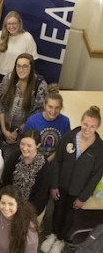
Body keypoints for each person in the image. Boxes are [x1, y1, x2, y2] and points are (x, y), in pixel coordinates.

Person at [41, 106, 103, 253]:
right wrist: (54, 185)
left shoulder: (99, 149)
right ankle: (53, 234)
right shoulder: (68, 137)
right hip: (61, 186)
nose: (87, 129)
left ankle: (61, 239)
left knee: (70, 215)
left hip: (78, 191)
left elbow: (96, 176)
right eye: (85, 124)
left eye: (92, 126)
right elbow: (57, 162)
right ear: (81, 122)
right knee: (57, 211)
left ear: (97, 127)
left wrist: (83, 197)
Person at [0, 53, 47, 147]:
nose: (21, 70)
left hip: (24, 132)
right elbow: (1, 104)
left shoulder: (40, 85)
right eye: (18, 66)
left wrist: (17, 132)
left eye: (25, 66)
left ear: (31, 68)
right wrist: (4, 130)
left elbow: (36, 114)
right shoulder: (8, 79)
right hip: (3, 128)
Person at [2, 130, 51, 222]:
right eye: (22, 144)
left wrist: (26, 212)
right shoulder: (15, 157)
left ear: (38, 145)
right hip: (12, 204)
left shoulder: (44, 165)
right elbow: (6, 180)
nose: (24, 148)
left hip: (32, 209)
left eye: (29, 146)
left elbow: (41, 194)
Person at [0, 185, 39, 253]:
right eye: (3, 203)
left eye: (11, 204)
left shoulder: (28, 228)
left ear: (18, 204)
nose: (6, 208)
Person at [23, 85, 71, 162]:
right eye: (50, 107)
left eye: (57, 108)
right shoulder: (32, 121)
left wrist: (48, 161)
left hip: (54, 161)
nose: (53, 111)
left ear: (61, 108)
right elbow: (25, 145)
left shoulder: (65, 122)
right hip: (33, 160)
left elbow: (64, 145)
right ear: (44, 105)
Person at [0, 11, 38, 86]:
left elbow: (31, 62)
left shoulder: (27, 37)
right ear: (5, 25)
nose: (12, 26)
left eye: (14, 23)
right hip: (1, 77)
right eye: (9, 24)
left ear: (19, 23)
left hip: (20, 78)